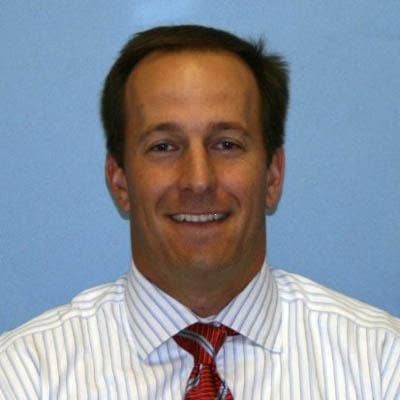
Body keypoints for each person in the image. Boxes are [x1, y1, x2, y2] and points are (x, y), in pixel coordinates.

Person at [0, 24, 399, 399]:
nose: (198, 180)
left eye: (226, 144)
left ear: (273, 176)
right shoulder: (25, 375)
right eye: (163, 146)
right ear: (120, 182)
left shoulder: (381, 363)